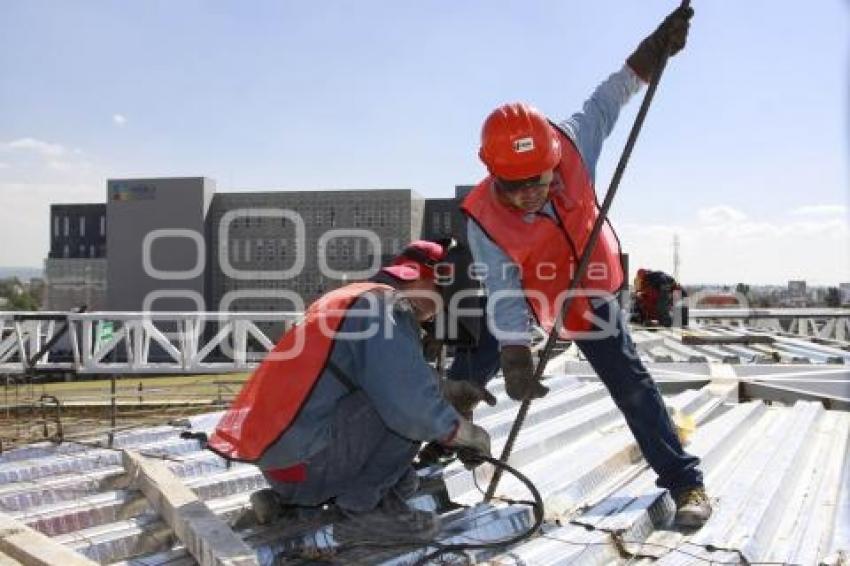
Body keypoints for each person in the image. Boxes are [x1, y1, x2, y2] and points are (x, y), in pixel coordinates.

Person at [457, 6, 712, 527]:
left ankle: (686, 483)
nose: (533, 194)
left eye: (541, 179)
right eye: (517, 186)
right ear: (492, 175)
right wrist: (516, 355)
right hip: (530, 295)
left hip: (590, 291)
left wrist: (650, 54)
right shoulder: (482, 218)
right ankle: (438, 442)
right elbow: (503, 291)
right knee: (468, 364)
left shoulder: (572, 143)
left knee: (632, 385)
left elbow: (610, 96)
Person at [208, 240, 492, 540]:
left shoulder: (353, 298)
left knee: (404, 480)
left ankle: (293, 505)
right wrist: (466, 435)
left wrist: (448, 391)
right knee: (404, 416)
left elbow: (368, 376)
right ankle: (365, 514)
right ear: (422, 280)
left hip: (285, 459)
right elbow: (409, 404)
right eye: (442, 296)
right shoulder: (386, 307)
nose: (440, 311)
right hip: (306, 462)